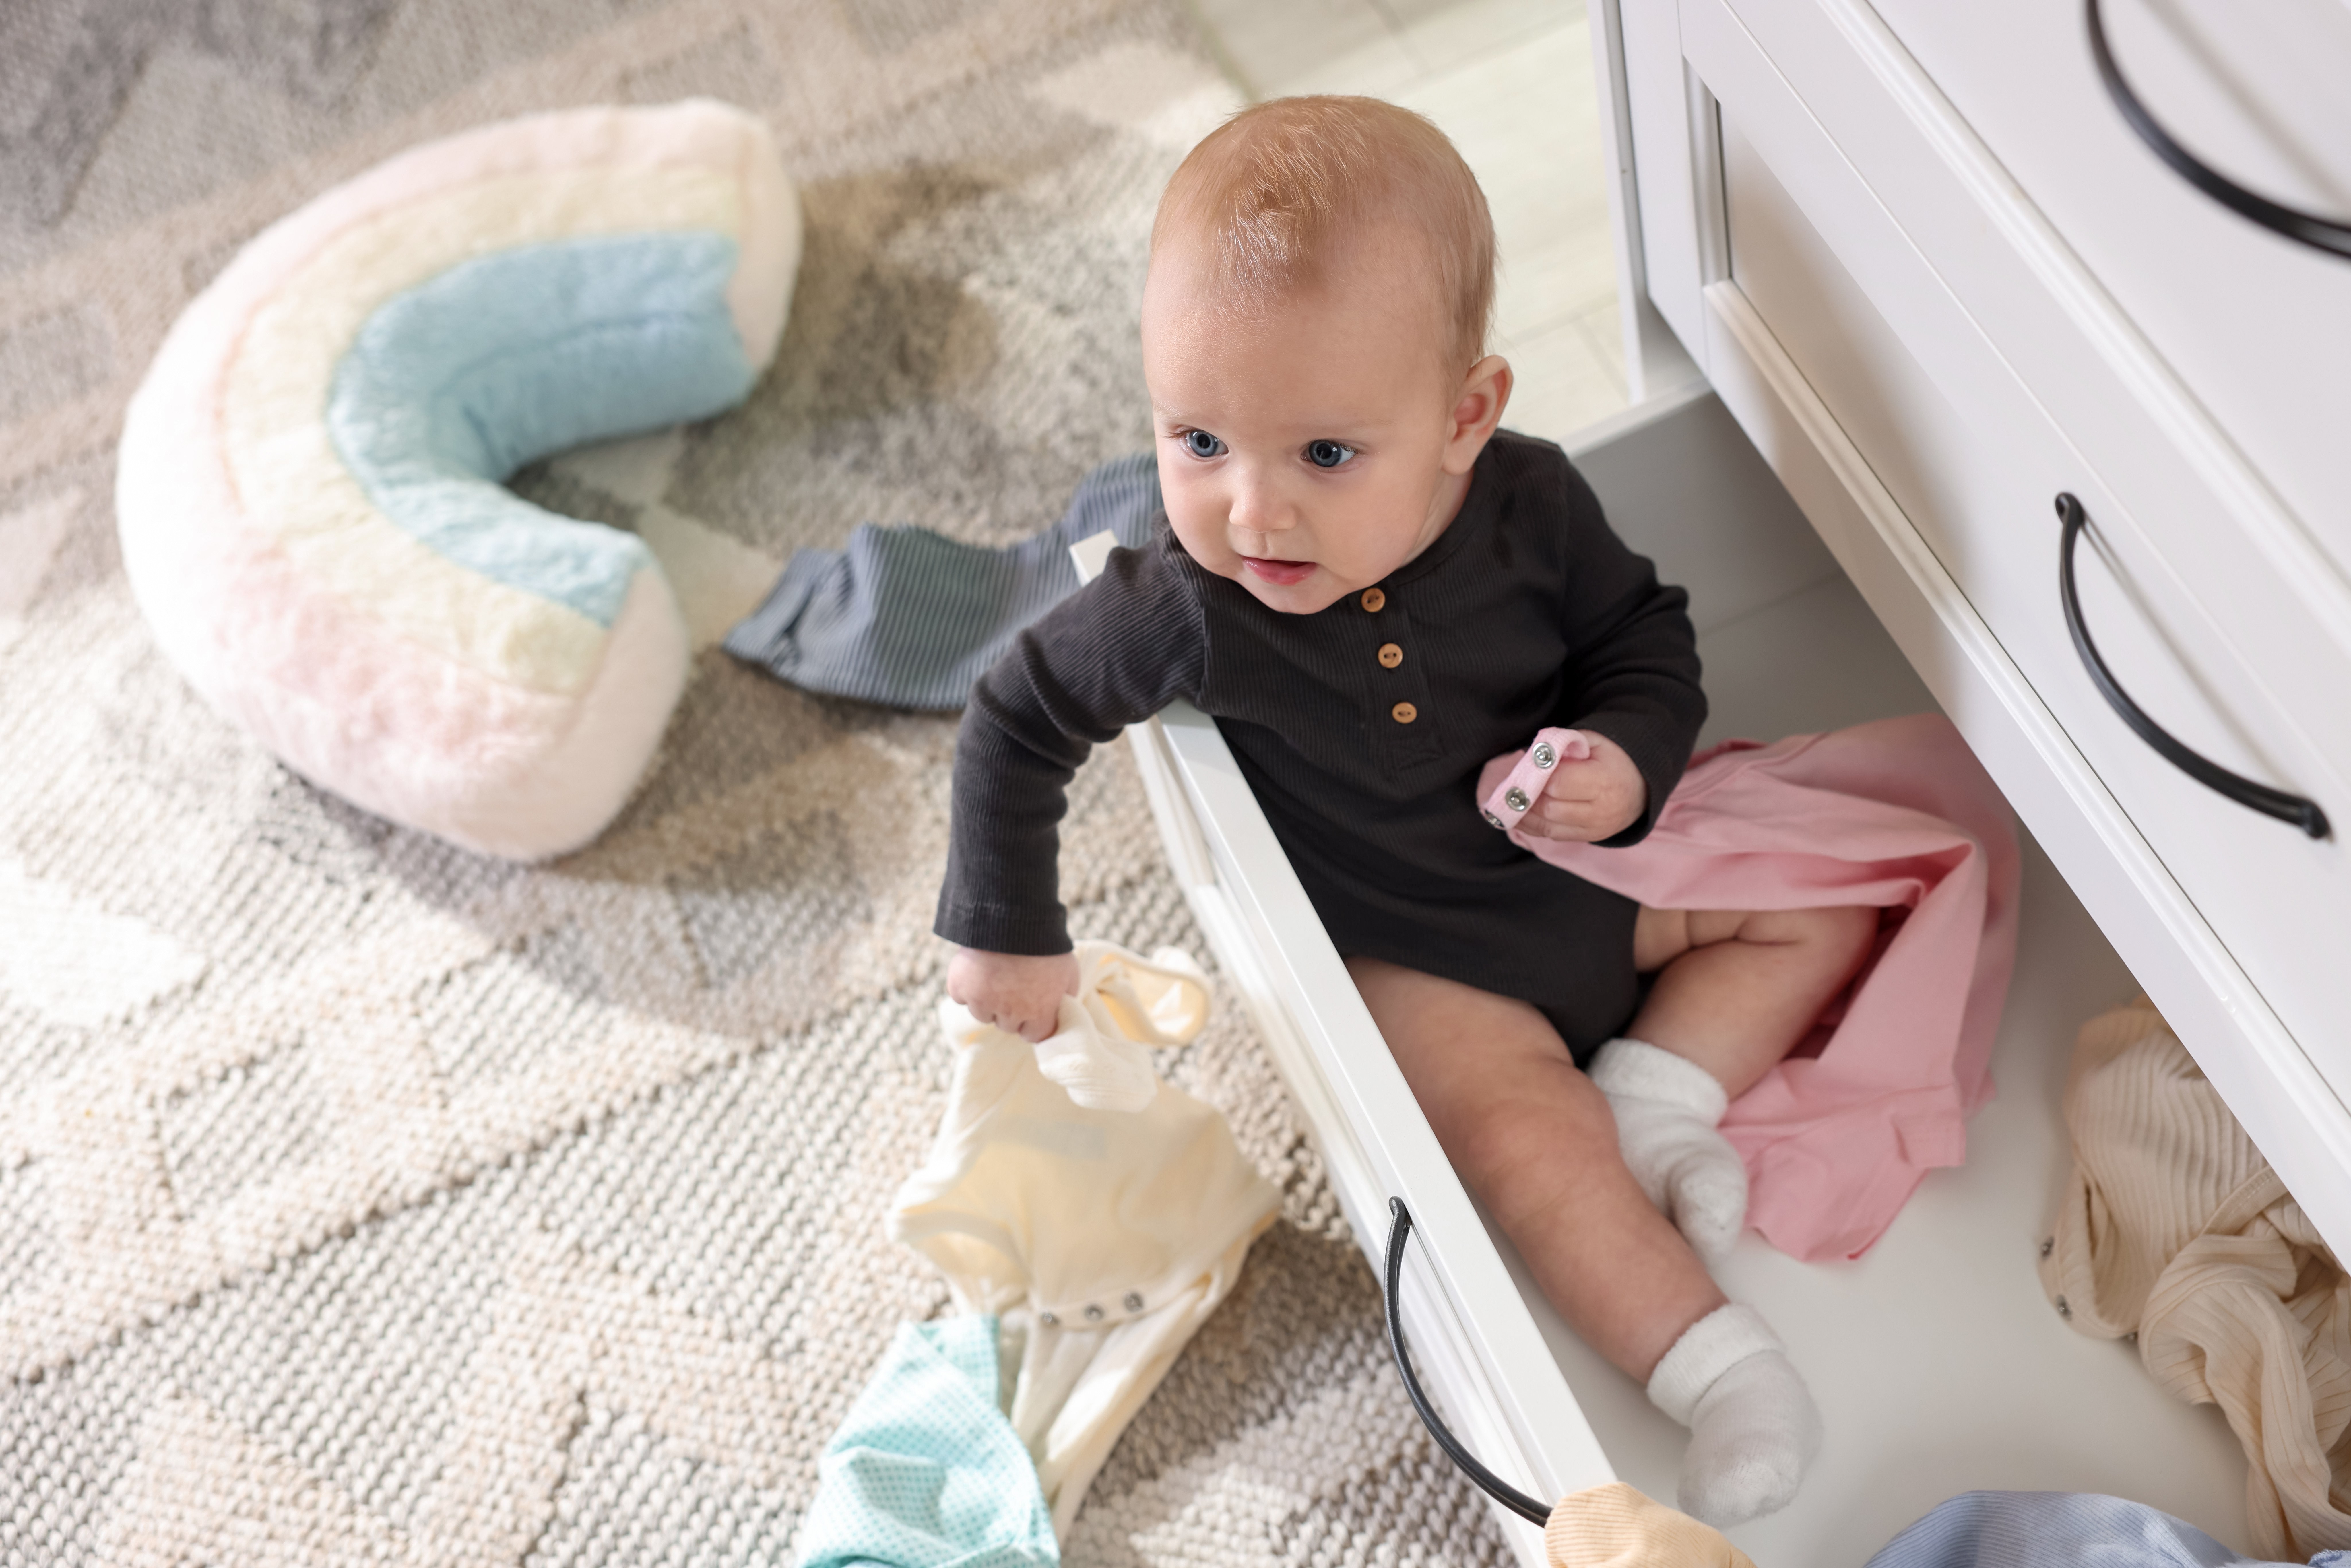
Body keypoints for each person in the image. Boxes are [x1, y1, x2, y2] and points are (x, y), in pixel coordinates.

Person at [932, 95, 1874, 1527]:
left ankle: (1659, 1091)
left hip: (1591, 879)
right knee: (1519, 1148)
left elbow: (1644, 639)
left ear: (1463, 417)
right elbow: (1014, 714)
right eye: (1196, 441)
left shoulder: (1532, 506)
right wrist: (1005, 928)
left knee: (1828, 899)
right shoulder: (1183, 608)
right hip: (1430, 964)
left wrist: (1626, 765)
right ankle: (1719, 1365)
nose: (1252, 513)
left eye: (1322, 456)